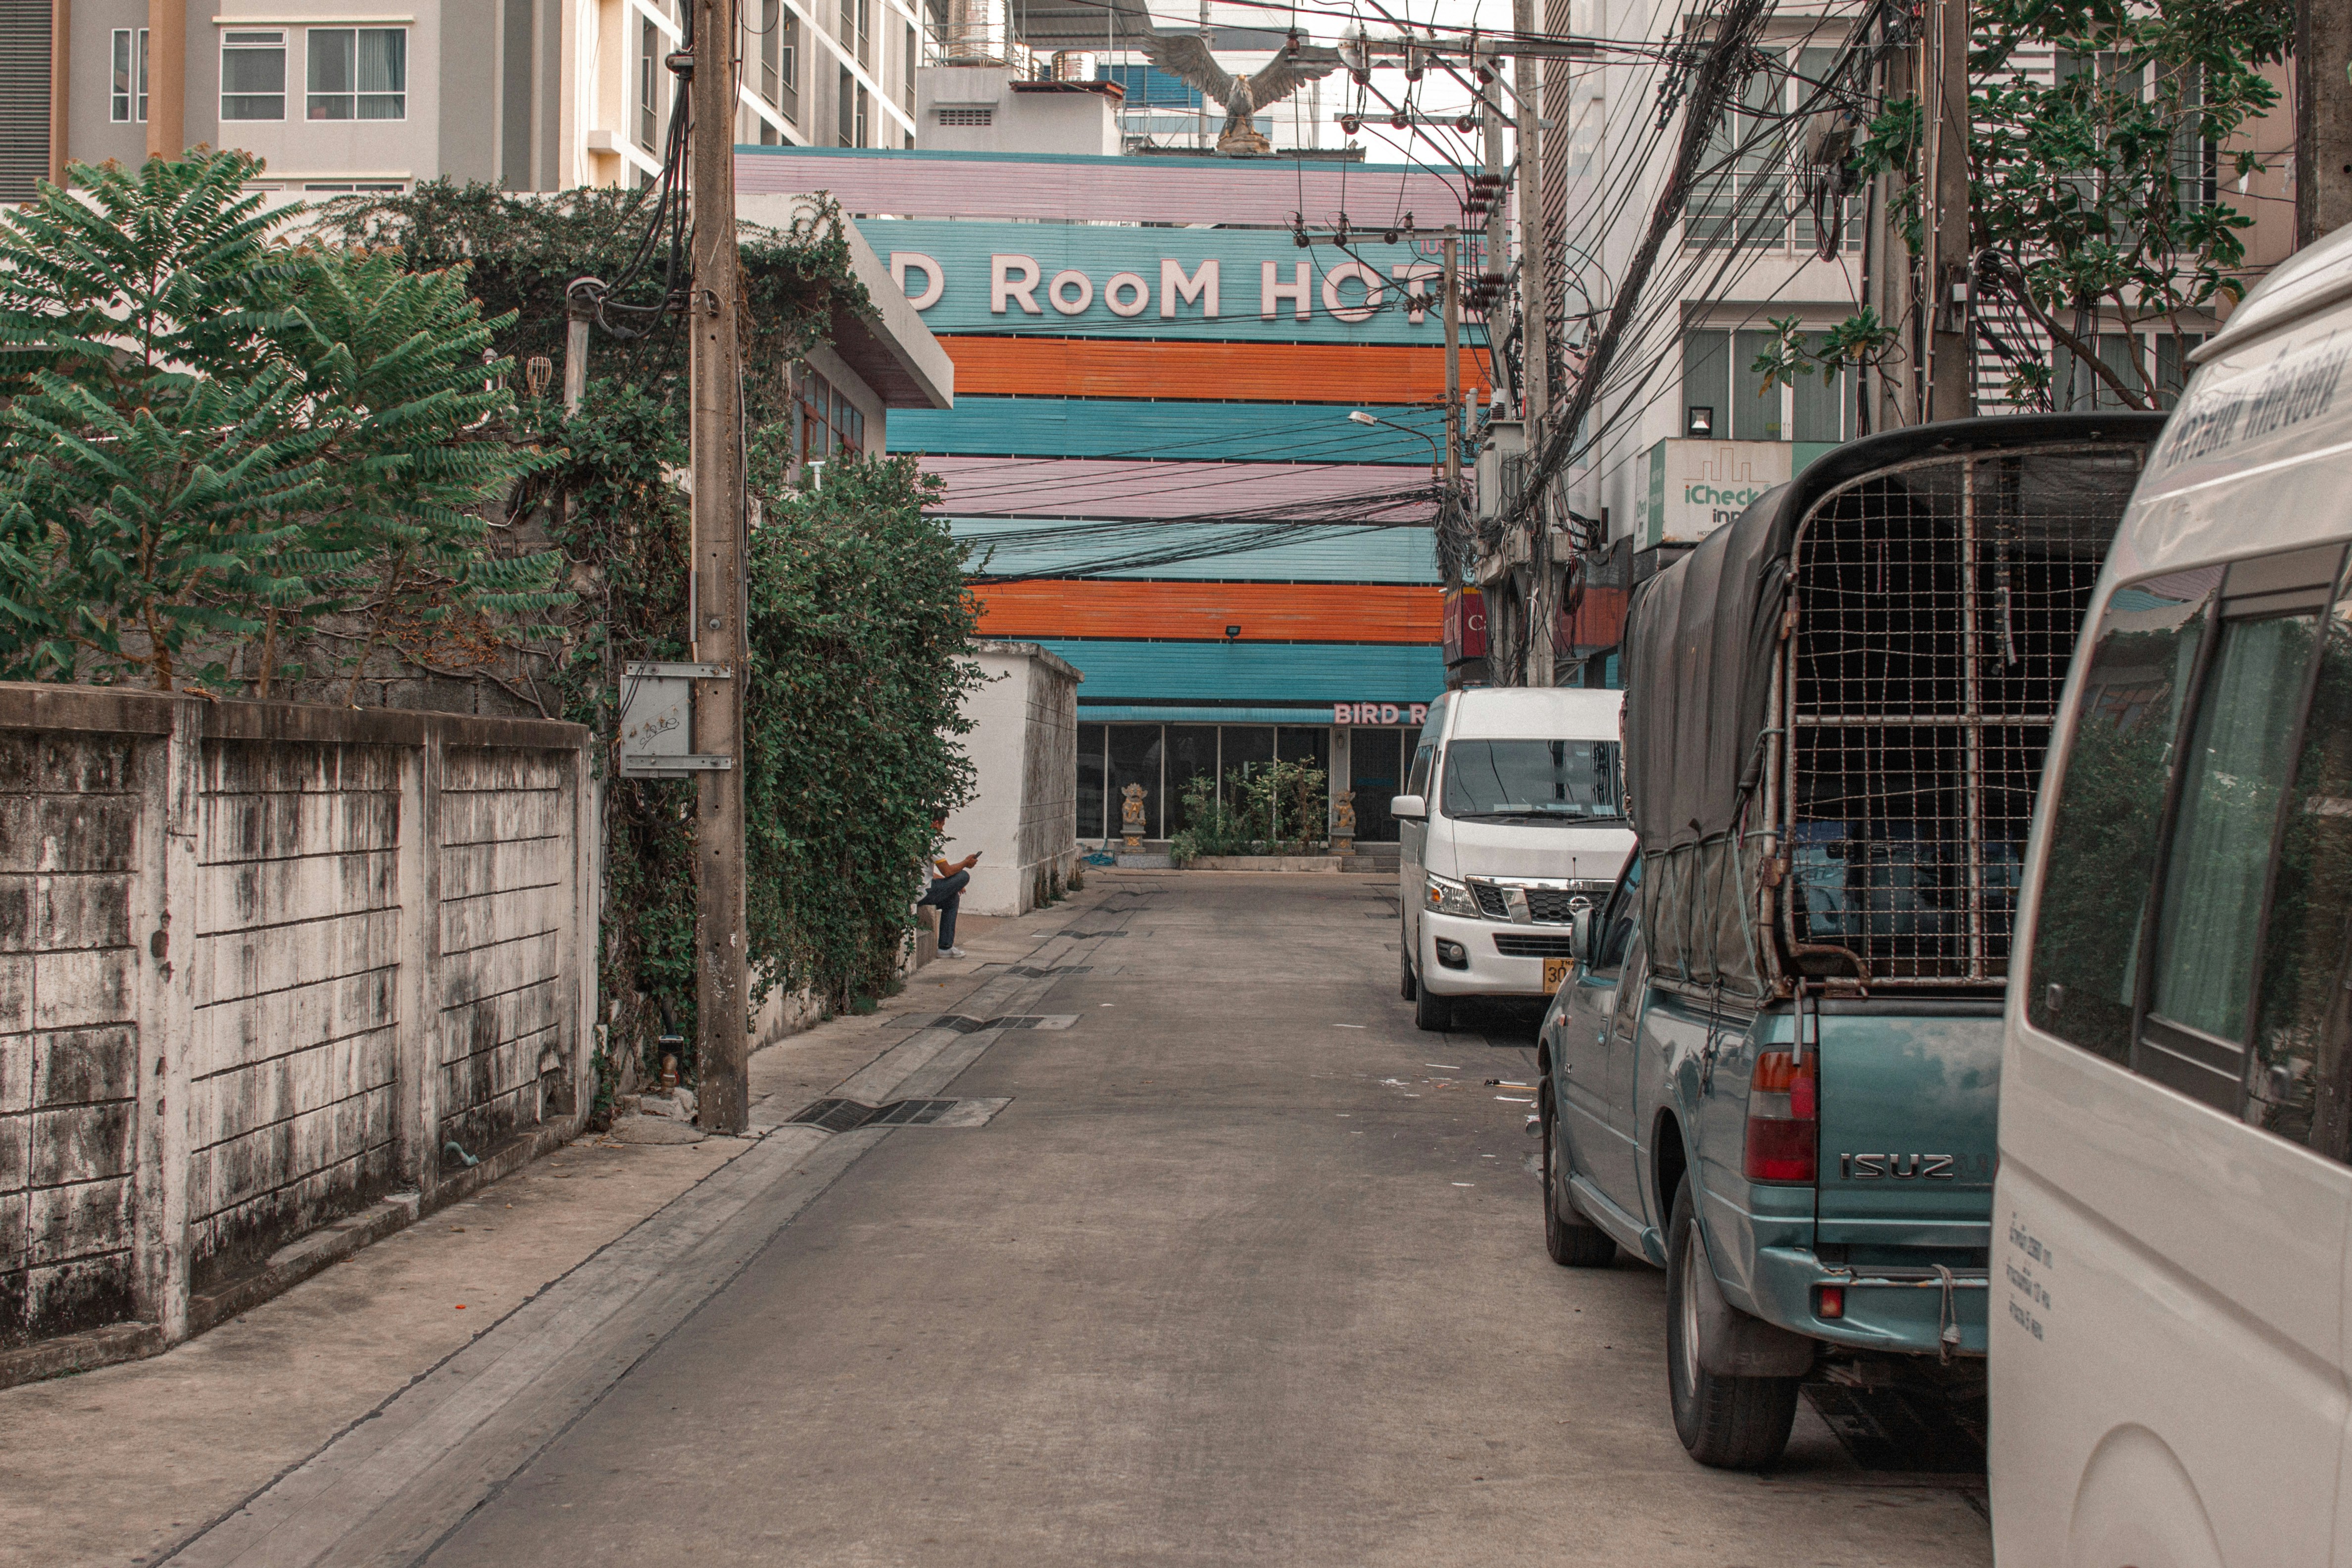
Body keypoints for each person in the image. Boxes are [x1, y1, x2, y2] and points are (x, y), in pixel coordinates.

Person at [919, 818, 979, 959]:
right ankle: (946, 946)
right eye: (942, 825)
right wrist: (965, 863)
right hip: (923, 893)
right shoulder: (931, 841)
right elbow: (947, 871)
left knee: (952, 898)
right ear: (935, 823)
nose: (942, 830)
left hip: (917, 891)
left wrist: (951, 886)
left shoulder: (916, 835)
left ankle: (945, 947)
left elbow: (927, 874)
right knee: (964, 876)